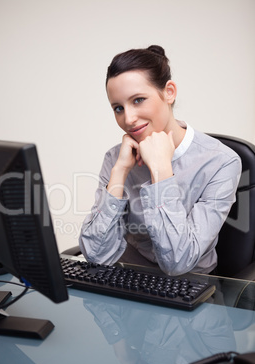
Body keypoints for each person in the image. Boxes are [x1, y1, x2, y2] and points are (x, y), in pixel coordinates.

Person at [79, 45, 241, 276]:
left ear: (169, 92)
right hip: (130, 279)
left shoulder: (221, 162)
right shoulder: (116, 158)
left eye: (138, 100)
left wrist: (161, 170)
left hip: (193, 288)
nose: (129, 119)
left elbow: (178, 263)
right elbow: (96, 254)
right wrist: (120, 170)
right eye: (118, 108)